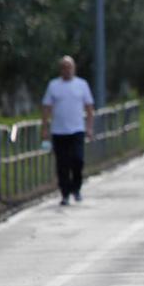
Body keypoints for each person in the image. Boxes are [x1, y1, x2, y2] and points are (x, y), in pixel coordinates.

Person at [41, 55, 95, 206]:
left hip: (77, 129)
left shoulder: (82, 85)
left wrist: (89, 127)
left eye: (70, 67)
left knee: (78, 160)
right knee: (62, 164)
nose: (67, 70)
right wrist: (44, 128)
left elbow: (90, 108)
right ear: (61, 70)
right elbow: (46, 108)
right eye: (64, 67)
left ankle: (76, 188)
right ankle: (65, 193)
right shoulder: (53, 86)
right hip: (59, 131)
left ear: (74, 68)